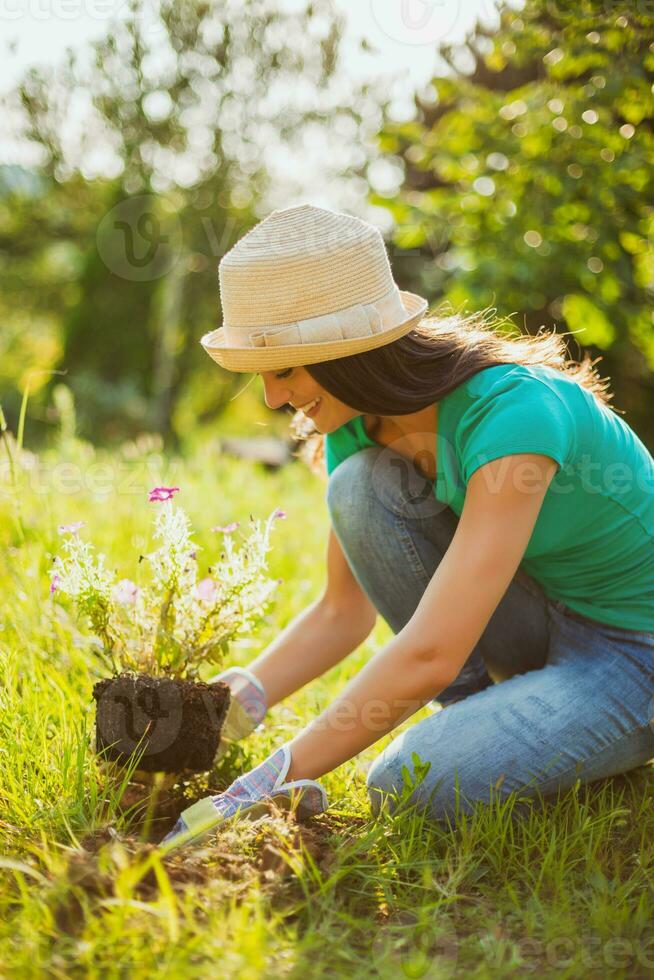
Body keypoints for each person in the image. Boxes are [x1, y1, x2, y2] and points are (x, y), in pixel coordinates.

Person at [161, 203, 654, 851]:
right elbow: (342, 613)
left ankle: (530, 738)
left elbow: (431, 653)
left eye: (283, 371)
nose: (272, 401)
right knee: (361, 486)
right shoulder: (356, 423)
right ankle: (489, 724)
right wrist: (229, 707)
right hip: (540, 612)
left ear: (349, 356)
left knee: (409, 783)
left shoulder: (516, 413)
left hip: (633, 652)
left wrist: (268, 779)